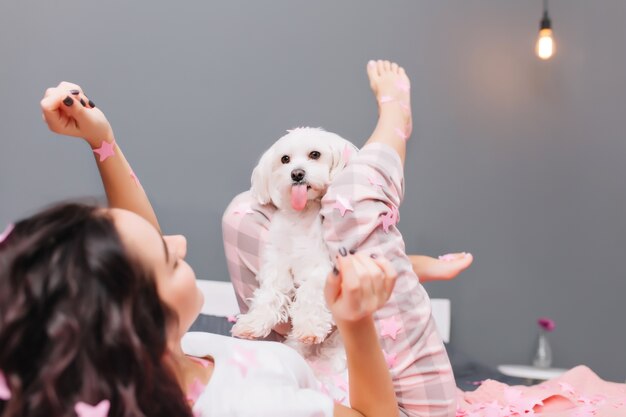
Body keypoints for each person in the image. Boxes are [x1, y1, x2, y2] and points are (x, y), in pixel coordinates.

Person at [0, 63, 413, 417]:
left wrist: (102, 141)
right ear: (142, 317)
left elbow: (138, 240)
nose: (179, 241)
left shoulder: (158, 361)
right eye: (169, 258)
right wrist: (356, 321)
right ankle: (394, 120)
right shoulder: (259, 405)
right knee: (361, 194)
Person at [222, 60, 463, 416]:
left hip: (332, 339)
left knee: (253, 210)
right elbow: (289, 269)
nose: (297, 168)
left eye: (313, 157)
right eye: (286, 160)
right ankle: (394, 126)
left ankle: (395, 123)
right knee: (345, 205)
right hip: (378, 384)